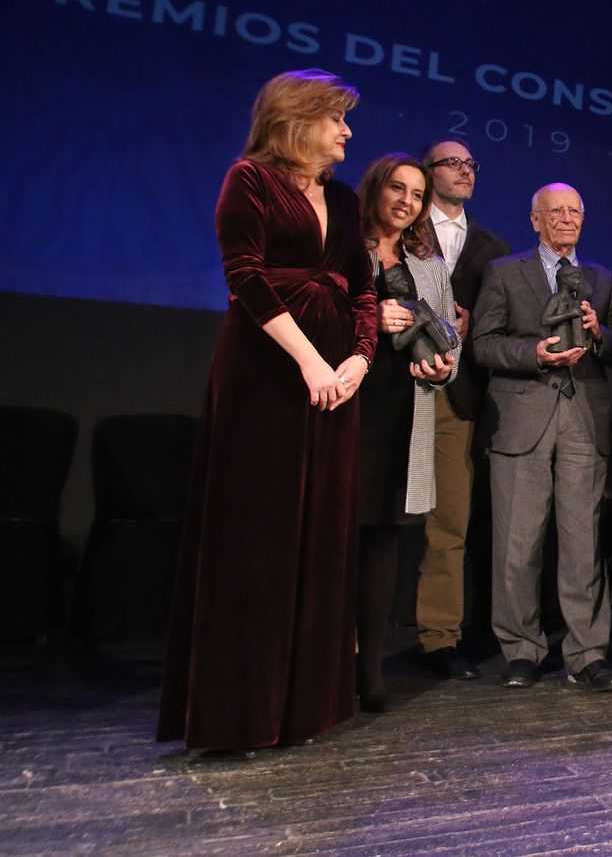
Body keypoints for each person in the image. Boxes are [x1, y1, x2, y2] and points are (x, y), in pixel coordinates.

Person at [157, 69, 375, 751]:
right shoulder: (248, 180)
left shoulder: (343, 200)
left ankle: (302, 709)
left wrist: (356, 361)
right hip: (266, 377)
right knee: (256, 535)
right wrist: (309, 358)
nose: (346, 132)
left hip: (336, 385)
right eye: (336, 118)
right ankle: (237, 713)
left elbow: (365, 292)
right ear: (298, 119)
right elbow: (244, 276)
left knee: (320, 533)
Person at [473, 183, 612, 692]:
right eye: (554, 211)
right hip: (522, 419)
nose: (565, 219)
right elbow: (484, 343)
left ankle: (587, 652)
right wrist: (534, 354)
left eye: (573, 211)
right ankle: (521, 649)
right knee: (518, 544)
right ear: (534, 220)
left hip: (584, 417)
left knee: (584, 544)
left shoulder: (601, 279)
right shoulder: (504, 272)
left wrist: (600, 332)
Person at [354, 154, 458, 712]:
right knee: (335, 538)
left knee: (382, 537)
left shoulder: (428, 266)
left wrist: (444, 367)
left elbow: (450, 342)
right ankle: (324, 663)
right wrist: (367, 322)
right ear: (375, 189)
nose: (407, 202)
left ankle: (369, 670)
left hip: (401, 413)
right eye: (397, 188)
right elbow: (315, 313)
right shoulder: (342, 249)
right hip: (345, 404)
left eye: (417, 194)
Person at [416, 138, 509, 681]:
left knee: (449, 522)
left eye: (470, 163)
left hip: (456, 395)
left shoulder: (494, 247)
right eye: (452, 162)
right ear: (428, 173)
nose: (464, 170)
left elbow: (499, 322)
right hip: (393, 388)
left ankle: (439, 637)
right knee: (371, 519)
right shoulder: (401, 225)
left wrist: (475, 328)